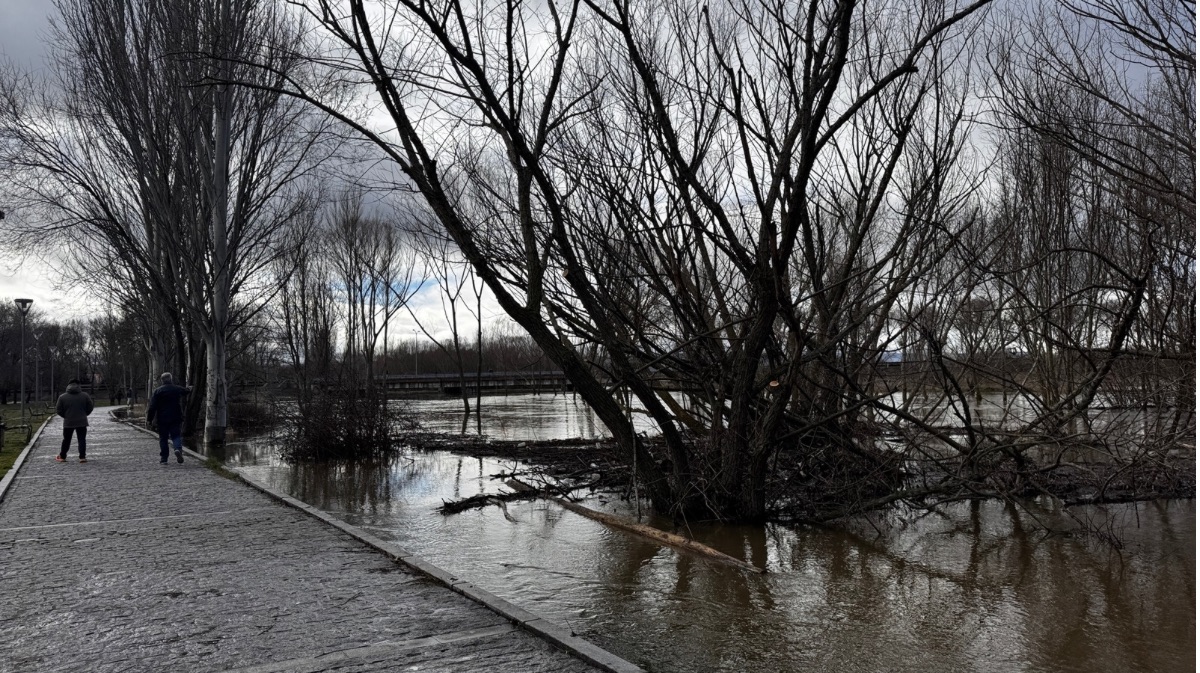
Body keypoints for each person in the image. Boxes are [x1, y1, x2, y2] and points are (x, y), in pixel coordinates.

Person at [146, 372, 192, 464]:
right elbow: (185, 391)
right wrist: (189, 389)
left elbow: (152, 406)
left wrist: (149, 419)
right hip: (175, 416)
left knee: (163, 438)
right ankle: (177, 449)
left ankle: (164, 459)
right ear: (171, 379)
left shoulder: (157, 391)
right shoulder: (176, 388)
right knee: (176, 435)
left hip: (162, 418)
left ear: (162, 380)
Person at [55, 379, 94, 463]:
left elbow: (58, 410)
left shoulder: (62, 397)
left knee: (66, 439)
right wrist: (84, 414)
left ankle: (62, 456)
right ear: (78, 385)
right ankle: (82, 457)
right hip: (82, 421)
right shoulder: (85, 395)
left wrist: (66, 416)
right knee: (82, 439)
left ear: (68, 385)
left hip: (68, 422)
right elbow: (90, 407)